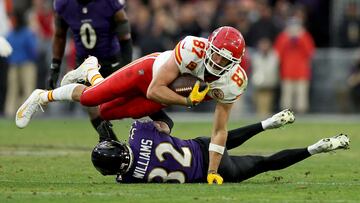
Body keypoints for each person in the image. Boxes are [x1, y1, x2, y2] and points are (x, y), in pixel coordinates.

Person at [16, 26, 247, 184]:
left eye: (225, 60)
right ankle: (41, 96)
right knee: (91, 99)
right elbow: (154, 89)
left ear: (235, 63)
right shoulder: (192, 48)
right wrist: (187, 101)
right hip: (147, 74)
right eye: (216, 54)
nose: (217, 62)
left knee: (105, 111)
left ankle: (91, 71)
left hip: (156, 96)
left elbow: (219, 130)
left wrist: (212, 171)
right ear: (209, 46)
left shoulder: (233, 83)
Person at [90, 110, 350, 184]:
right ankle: (266, 123)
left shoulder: (128, 179)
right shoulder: (138, 133)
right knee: (222, 137)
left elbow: (122, 167)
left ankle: (314, 149)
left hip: (212, 173)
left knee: (264, 163)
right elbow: (157, 114)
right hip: (202, 148)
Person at [48, 0, 134, 141]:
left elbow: (125, 37)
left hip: (110, 61)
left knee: (128, 99)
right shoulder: (64, 4)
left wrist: (127, 66)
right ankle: (111, 142)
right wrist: (55, 67)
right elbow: (59, 35)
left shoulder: (109, 3)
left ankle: (159, 127)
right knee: (91, 106)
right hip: (84, 64)